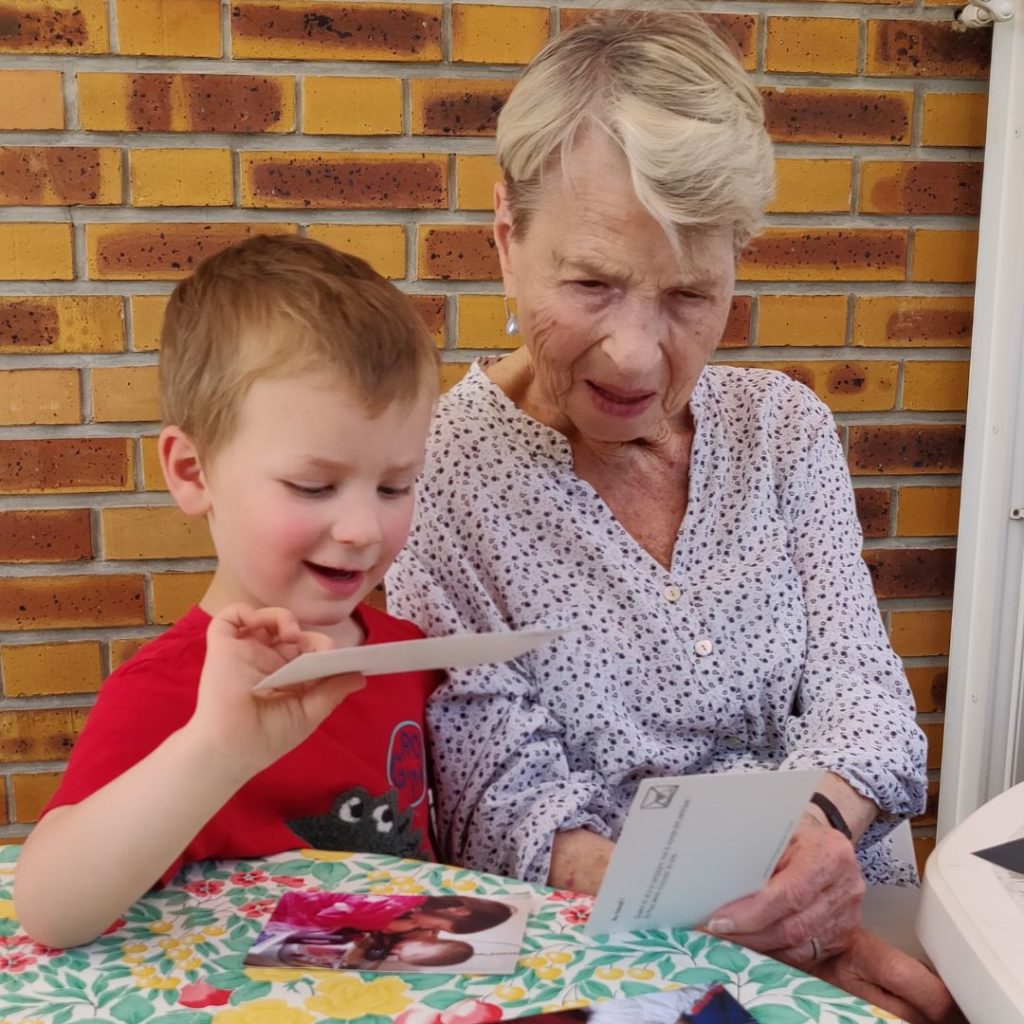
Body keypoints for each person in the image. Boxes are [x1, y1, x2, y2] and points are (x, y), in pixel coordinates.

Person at [385, 11, 954, 1023]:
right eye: (592, 284)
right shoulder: (432, 478)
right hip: (621, 959)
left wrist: (818, 837)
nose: (638, 355)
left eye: (689, 292)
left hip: (851, 913)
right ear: (506, 238)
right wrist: (727, 920)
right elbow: (503, 809)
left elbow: (867, 706)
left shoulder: (783, 428)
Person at [14, 234, 441, 950]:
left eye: (396, 485)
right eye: (314, 486)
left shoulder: (412, 657)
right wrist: (214, 747)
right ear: (192, 472)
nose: (365, 527)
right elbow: (50, 912)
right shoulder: (165, 692)